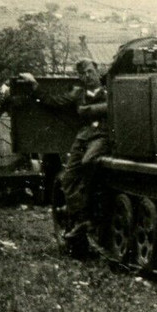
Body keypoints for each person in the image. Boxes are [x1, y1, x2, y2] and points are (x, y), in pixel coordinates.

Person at [28, 58, 109, 242]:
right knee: (68, 177)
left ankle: (89, 209)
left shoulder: (109, 91)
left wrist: (88, 110)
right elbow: (54, 101)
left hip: (102, 136)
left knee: (88, 162)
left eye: (89, 71)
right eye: (82, 74)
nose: (87, 76)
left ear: (97, 71)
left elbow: (114, 107)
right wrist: (34, 86)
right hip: (83, 138)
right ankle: (81, 219)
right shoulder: (78, 93)